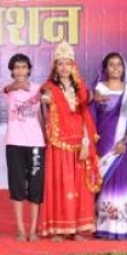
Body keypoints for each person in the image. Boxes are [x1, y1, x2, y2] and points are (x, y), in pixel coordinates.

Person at [40, 41, 102, 240]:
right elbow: (44, 100)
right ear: (55, 67)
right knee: (60, 185)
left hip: (78, 142)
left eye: (68, 63)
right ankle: (59, 229)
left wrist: (86, 142)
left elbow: (85, 115)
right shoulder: (49, 88)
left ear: (73, 65)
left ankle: (76, 230)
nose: (64, 67)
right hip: (58, 143)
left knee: (78, 187)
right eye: (60, 63)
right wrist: (46, 99)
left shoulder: (81, 88)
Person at [90, 52, 127, 240]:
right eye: (111, 64)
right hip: (102, 144)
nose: (115, 68)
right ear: (105, 68)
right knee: (101, 181)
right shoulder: (98, 89)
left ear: (124, 67)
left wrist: (125, 140)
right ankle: (100, 224)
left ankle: (121, 226)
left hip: (122, 146)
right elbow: (90, 116)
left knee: (120, 182)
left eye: (119, 64)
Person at [2, 53, 45, 242]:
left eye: (23, 67)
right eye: (16, 67)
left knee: (36, 186)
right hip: (14, 143)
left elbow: (43, 111)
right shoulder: (8, 88)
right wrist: (17, 86)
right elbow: (7, 88)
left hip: (36, 143)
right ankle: (20, 229)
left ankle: (33, 230)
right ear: (12, 71)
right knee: (17, 186)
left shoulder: (38, 88)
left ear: (29, 70)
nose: (20, 71)